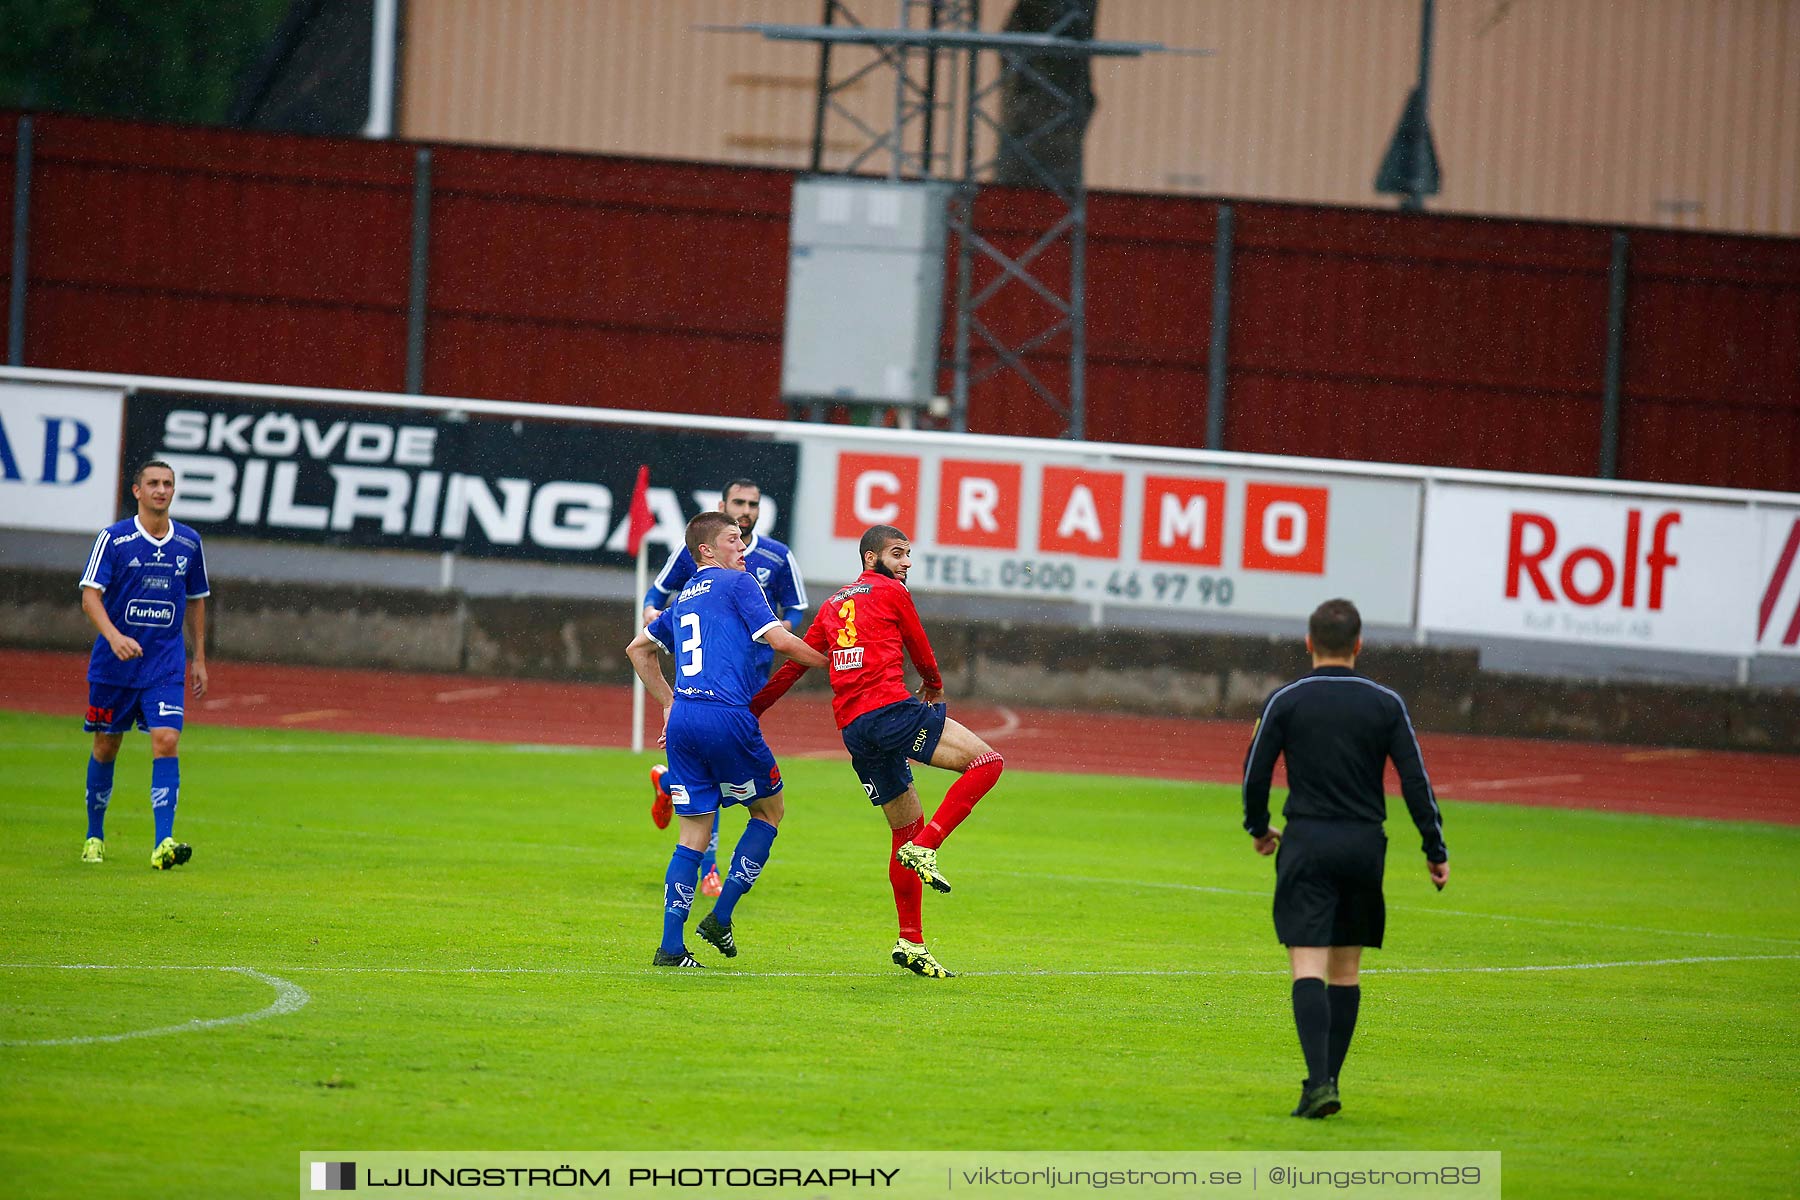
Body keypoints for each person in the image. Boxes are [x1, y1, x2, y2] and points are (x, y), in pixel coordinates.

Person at [751, 525, 1005, 979]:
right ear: (871, 558)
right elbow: (919, 644)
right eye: (897, 553)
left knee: (904, 828)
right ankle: (928, 848)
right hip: (890, 710)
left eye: (909, 554)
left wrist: (753, 710)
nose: (906, 562)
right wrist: (934, 683)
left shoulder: (832, 605)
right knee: (987, 762)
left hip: (854, 730)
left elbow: (795, 664)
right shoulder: (890, 592)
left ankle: (911, 942)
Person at [1241, 597, 1449, 1119]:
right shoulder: (1386, 704)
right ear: (1359, 645)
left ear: (1309, 643)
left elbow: (1255, 771)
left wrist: (1258, 826)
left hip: (1307, 840)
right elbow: (1415, 780)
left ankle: (1317, 1083)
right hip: (1363, 845)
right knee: (1346, 969)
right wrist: (1434, 848)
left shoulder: (1285, 700)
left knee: (1307, 962)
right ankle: (1330, 1080)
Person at [626, 511, 828, 968]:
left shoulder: (681, 602)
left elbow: (636, 650)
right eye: (734, 540)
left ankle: (671, 947)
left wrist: (668, 701)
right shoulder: (739, 585)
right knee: (770, 810)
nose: (743, 548)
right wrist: (837, 662)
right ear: (707, 551)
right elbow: (779, 639)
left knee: (693, 833)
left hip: (685, 723)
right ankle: (719, 917)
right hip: (726, 717)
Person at [643, 478, 808, 899]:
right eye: (739, 503)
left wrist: (767, 626)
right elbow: (656, 596)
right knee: (752, 795)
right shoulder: (715, 559)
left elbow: (794, 613)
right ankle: (712, 870)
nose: (746, 510)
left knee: (708, 774)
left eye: (753, 503)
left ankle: (670, 785)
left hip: (751, 684)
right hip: (718, 690)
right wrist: (658, 619)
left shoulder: (775, 556)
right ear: (723, 505)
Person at [77, 459, 211, 869]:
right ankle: (94, 835)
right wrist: (114, 637)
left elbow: (196, 600)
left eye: (167, 483)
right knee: (106, 745)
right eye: (152, 483)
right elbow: (89, 596)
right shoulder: (113, 540)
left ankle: (163, 841)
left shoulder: (188, 543)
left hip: (165, 666)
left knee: (167, 740)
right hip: (114, 668)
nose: (161, 490)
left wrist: (199, 658)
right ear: (137, 491)